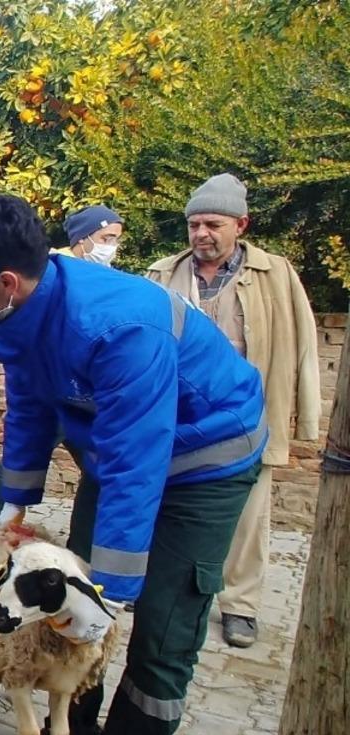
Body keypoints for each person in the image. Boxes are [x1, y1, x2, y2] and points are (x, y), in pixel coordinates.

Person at [0, 195, 264, 735]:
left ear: (5, 282)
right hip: (122, 454)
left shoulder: (117, 327)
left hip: (206, 459)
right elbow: (31, 405)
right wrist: (17, 507)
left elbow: (138, 466)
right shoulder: (23, 315)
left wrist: (112, 586)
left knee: (165, 614)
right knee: (72, 602)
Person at [147, 173, 319, 648]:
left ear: (240, 224)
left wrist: (305, 419)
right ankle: (163, 591)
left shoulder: (275, 273)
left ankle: (240, 605)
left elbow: (303, 345)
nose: (202, 233)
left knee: (248, 518)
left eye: (213, 224)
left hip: (248, 418)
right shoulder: (163, 273)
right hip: (180, 417)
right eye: (195, 224)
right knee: (169, 508)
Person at [0, 204, 125, 547]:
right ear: (83, 239)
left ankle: (91, 555)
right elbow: (25, 409)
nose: (111, 246)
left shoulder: (102, 301)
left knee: (100, 474)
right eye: (105, 238)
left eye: (115, 239)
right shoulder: (36, 289)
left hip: (95, 405)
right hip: (59, 397)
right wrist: (13, 507)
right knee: (23, 451)